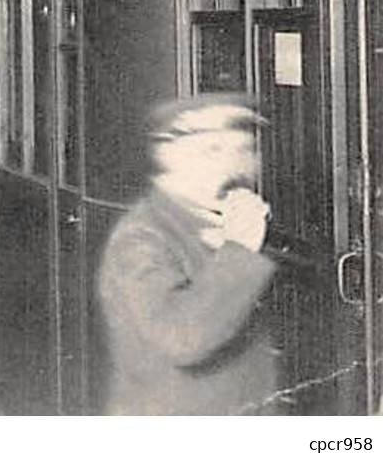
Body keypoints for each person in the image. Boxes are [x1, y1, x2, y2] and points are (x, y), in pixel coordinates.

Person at [96, 93, 279, 414]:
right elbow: (182, 338)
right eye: (213, 150)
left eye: (244, 150)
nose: (234, 165)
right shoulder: (140, 237)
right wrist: (238, 249)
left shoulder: (221, 222)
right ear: (168, 156)